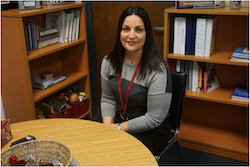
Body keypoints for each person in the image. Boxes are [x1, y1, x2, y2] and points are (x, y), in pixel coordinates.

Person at [100, 6, 173, 156]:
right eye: (126, 29)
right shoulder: (108, 61)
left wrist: (119, 128)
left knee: (117, 154)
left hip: (151, 130)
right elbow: (107, 98)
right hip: (118, 121)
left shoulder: (157, 70)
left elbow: (154, 119)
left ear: (147, 34)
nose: (131, 35)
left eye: (138, 30)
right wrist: (107, 126)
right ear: (120, 32)